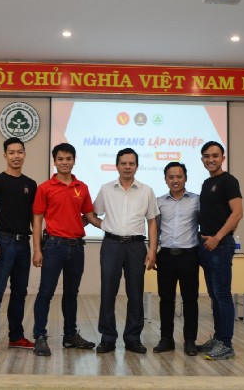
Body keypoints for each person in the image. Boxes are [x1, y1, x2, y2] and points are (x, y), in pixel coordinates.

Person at [31, 143, 103, 356]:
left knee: (71, 293)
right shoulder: (45, 188)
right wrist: (37, 249)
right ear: (54, 161)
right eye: (60, 159)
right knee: (46, 292)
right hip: (53, 246)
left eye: (68, 158)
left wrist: (112, 227)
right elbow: (37, 219)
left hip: (77, 247)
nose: (65, 162)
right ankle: (40, 337)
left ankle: (70, 336)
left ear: (74, 160)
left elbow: (89, 216)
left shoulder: (82, 187)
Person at [93, 147, 159, 354]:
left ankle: (133, 338)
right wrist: (105, 226)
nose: (127, 167)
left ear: (137, 166)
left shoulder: (146, 191)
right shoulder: (106, 189)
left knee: (136, 293)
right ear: (117, 166)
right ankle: (107, 338)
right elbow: (92, 213)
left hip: (136, 246)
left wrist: (152, 250)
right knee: (108, 292)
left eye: (131, 163)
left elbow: (152, 221)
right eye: (123, 163)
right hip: (111, 245)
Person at [0, 137, 37, 355]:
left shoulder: (31, 184)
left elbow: (34, 218)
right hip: (3, 242)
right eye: (11, 152)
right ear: (5, 155)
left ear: (24, 154)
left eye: (19, 152)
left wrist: (37, 247)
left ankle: (16, 337)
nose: (16, 156)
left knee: (20, 293)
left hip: (24, 244)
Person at [196, 141, 243, 360]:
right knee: (215, 295)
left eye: (215, 156)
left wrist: (218, 237)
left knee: (223, 295)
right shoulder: (207, 183)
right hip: (207, 246)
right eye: (206, 156)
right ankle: (218, 338)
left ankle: (226, 344)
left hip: (220, 246)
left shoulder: (229, 181)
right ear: (202, 159)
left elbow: (237, 213)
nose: (211, 159)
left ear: (223, 158)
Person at [153, 162, 200, 356]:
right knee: (166, 299)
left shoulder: (197, 200)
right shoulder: (159, 202)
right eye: (171, 177)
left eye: (179, 176)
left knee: (190, 299)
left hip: (189, 255)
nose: (175, 180)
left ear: (185, 178)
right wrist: (152, 251)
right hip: (165, 256)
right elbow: (154, 229)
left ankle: (190, 341)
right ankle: (166, 339)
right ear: (165, 180)